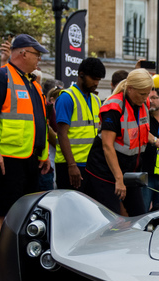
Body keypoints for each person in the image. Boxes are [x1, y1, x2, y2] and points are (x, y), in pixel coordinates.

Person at [0, 34, 50, 281]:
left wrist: (43, 155)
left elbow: (38, 122)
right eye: (36, 54)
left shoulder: (32, 83)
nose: (39, 59)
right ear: (22, 54)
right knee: (0, 213)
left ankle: (19, 263)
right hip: (7, 158)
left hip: (29, 159)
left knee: (25, 214)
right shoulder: (0, 77)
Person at [84, 69, 159, 216]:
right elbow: (107, 145)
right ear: (130, 89)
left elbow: (139, 130)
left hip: (130, 170)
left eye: (147, 94)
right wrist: (119, 179)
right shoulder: (114, 107)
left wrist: (155, 140)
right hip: (105, 172)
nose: (145, 98)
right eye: (142, 94)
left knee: (139, 215)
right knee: (110, 217)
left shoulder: (143, 103)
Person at [54, 57, 105, 190]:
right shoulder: (67, 97)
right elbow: (61, 133)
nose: (96, 83)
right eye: (93, 78)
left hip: (91, 165)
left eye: (98, 79)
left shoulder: (96, 100)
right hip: (70, 166)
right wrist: (72, 165)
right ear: (81, 74)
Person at [141, 87, 159, 211]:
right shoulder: (144, 120)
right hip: (147, 173)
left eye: (154, 97)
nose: (151, 100)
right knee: (144, 211)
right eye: (148, 98)